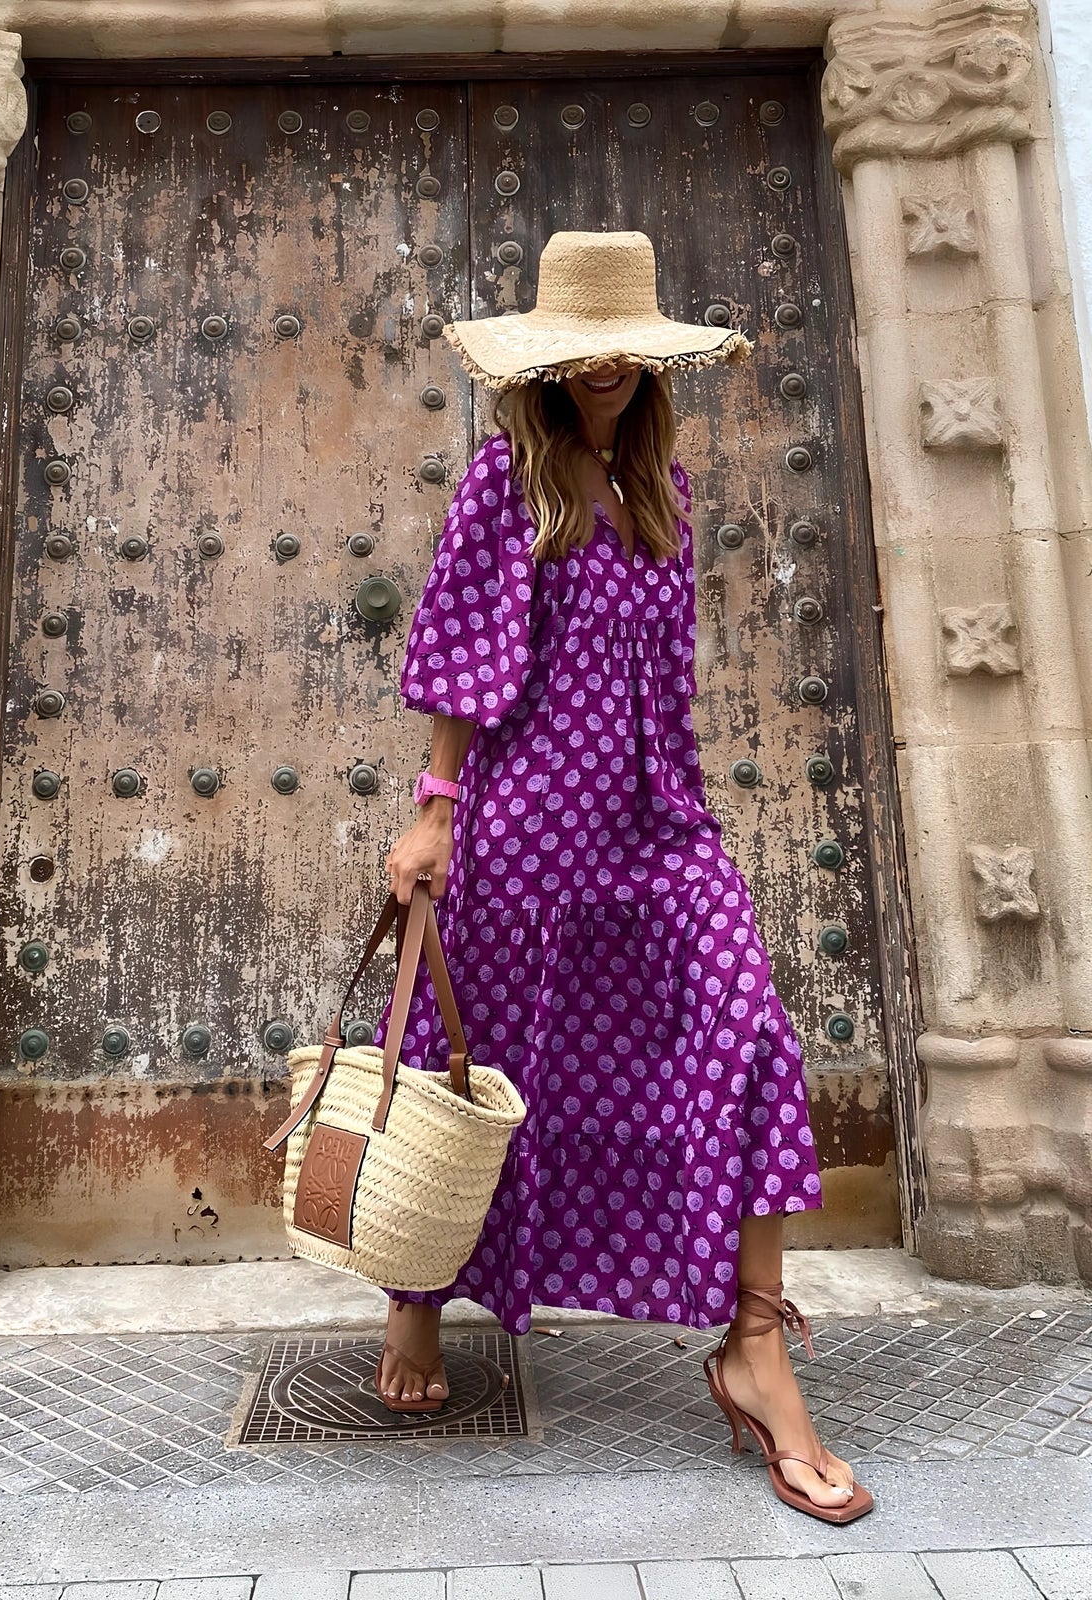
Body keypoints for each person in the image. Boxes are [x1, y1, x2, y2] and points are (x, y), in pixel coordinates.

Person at [371, 230, 872, 1524]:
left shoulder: (665, 495)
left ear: (650, 364)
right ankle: (417, 1304)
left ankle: (755, 1343)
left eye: (624, 349)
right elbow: (460, 663)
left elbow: (668, 683)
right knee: (474, 1059)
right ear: (544, 361)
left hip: (653, 824)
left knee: (748, 1029)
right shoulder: (505, 482)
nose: (602, 366)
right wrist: (435, 814)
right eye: (581, 346)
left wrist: (689, 817)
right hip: (524, 823)